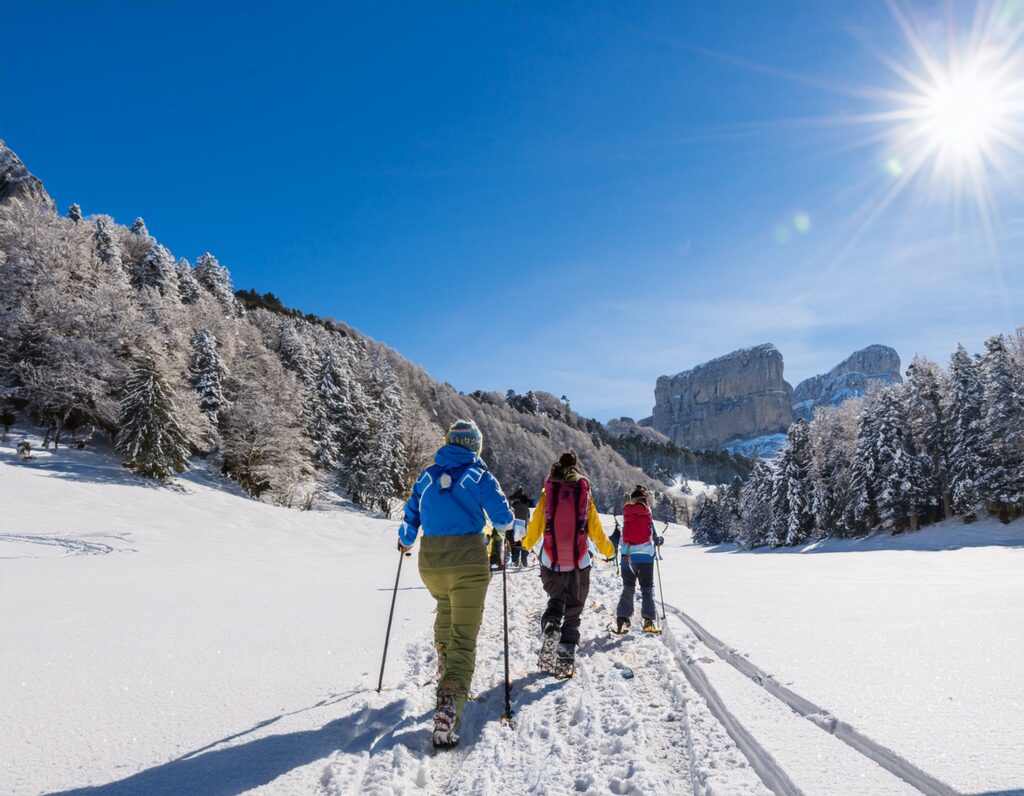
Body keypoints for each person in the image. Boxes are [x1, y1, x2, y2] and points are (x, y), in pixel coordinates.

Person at [397, 419, 514, 748]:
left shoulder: (428, 475)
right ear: (475, 446)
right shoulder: (479, 476)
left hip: (431, 563)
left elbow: (410, 516)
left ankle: (445, 666)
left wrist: (405, 539)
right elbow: (503, 520)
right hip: (467, 562)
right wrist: (513, 533)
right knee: (464, 637)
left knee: (444, 609)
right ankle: (449, 702)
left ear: (449, 442)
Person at [522, 451, 614, 678]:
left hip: (550, 562)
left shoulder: (549, 490)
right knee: (573, 613)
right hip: (579, 563)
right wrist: (610, 551)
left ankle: (551, 625)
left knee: (556, 601)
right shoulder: (583, 491)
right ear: (576, 466)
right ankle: (564, 663)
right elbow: (595, 531)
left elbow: (535, 526)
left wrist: (525, 544)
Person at [614, 485, 663, 634]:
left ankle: (622, 620)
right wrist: (658, 540)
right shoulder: (647, 514)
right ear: (645, 500)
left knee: (628, 588)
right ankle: (648, 622)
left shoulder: (626, 514)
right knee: (647, 590)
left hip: (627, 556)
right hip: (646, 558)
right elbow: (655, 536)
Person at [506, 486, 534, 567]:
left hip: (514, 529)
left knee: (515, 544)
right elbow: (528, 519)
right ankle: (524, 561)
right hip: (524, 529)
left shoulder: (512, 507)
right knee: (524, 544)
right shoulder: (526, 508)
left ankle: (515, 561)